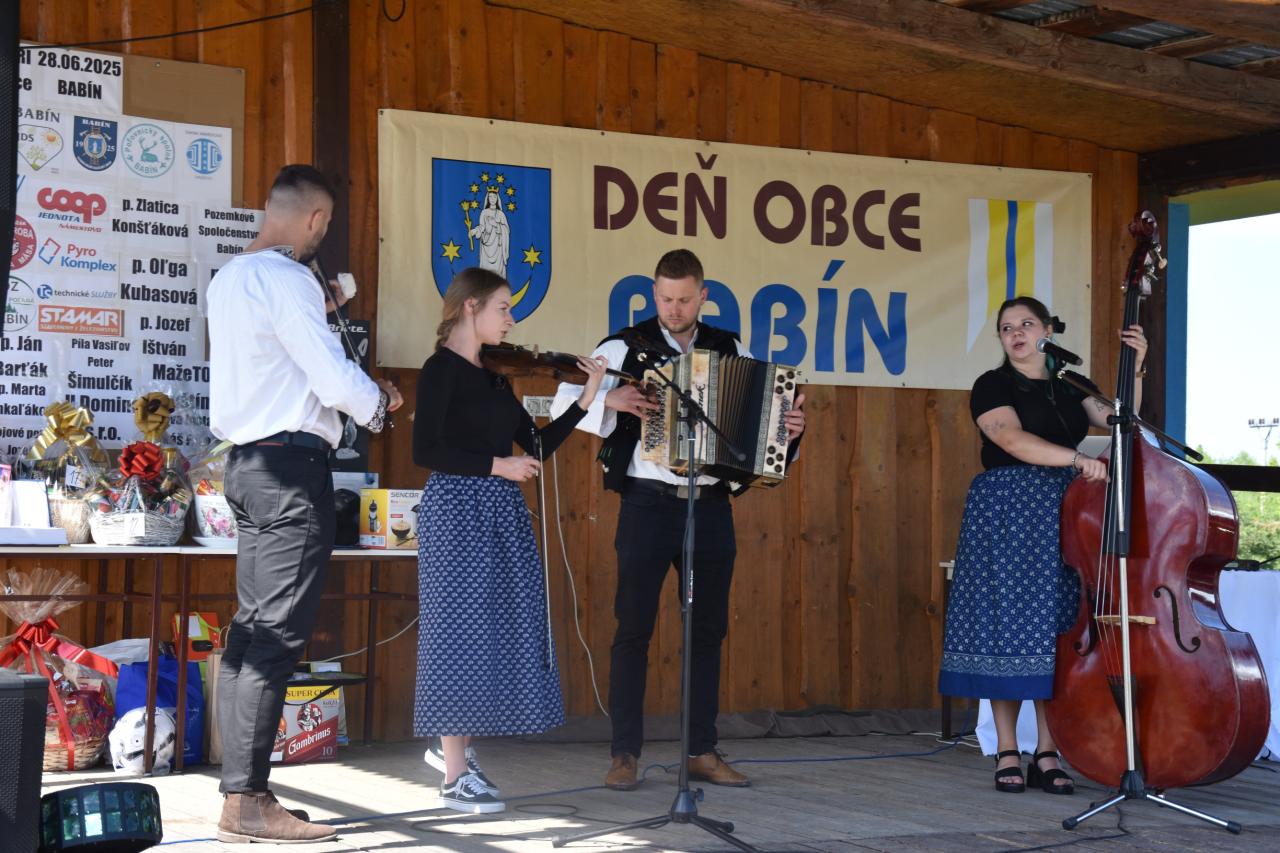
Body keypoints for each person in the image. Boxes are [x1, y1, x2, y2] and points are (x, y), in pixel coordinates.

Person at [551, 248, 806, 791]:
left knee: (707, 631)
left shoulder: (729, 348)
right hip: (646, 503)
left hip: (709, 505)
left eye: (685, 299)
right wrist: (613, 401)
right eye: (666, 298)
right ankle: (624, 754)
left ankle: (700, 750)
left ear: (703, 296)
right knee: (633, 628)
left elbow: (761, 425)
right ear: (654, 293)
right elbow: (561, 403)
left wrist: (788, 430)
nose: (673, 309)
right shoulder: (623, 347)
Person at [207, 164, 403, 844]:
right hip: (290, 471)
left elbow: (284, 357)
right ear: (316, 219)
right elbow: (330, 375)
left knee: (250, 633)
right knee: (275, 637)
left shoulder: (230, 278)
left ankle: (238, 792)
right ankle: (248, 799)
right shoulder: (288, 280)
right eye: (325, 224)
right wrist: (378, 405)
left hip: (247, 465)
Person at [412, 267, 609, 813]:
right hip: (457, 508)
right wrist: (498, 465)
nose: (511, 319)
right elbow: (425, 451)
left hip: (499, 510)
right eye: (503, 307)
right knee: (457, 634)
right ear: (470, 306)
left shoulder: (495, 377)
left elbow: (537, 446)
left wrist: (587, 397)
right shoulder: (440, 369)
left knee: (497, 628)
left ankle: (453, 748)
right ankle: (454, 775)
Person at [937, 296, 1146, 795]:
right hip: (1008, 509)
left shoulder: (1071, 384)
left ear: (1048, 331)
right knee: (1007, 627)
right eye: (1006, 327)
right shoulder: (993, 385)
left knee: (1057, 627)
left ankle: (1048, 750)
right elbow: (1011, 440)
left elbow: (1120, 419)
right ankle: (1008, 749)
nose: (1016, 333)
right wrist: (1075, 460)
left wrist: (1135, 367)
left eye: (1027, 324)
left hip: (1065, 511)